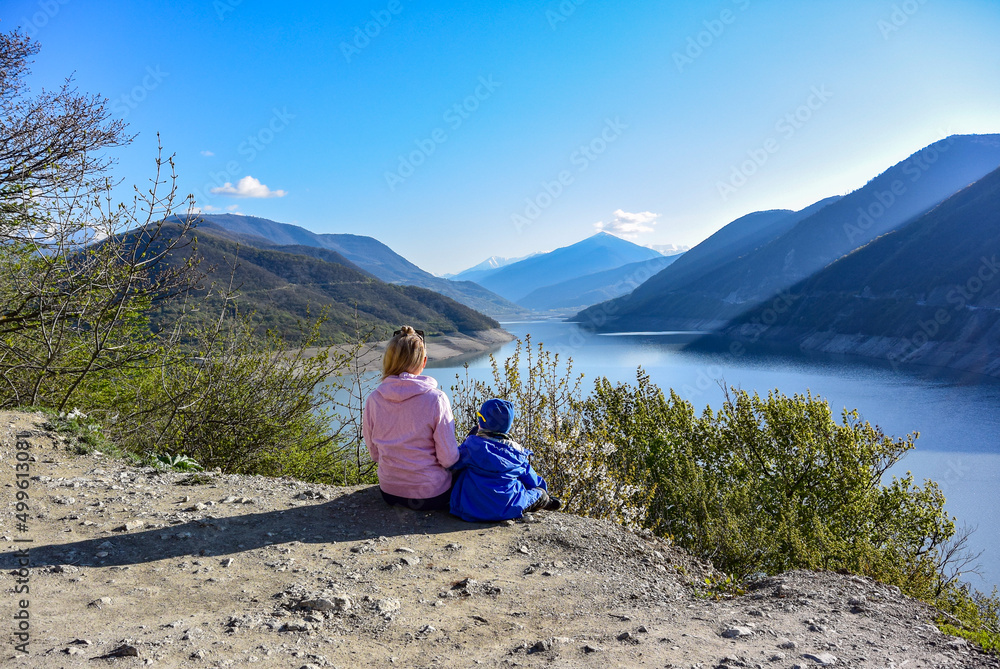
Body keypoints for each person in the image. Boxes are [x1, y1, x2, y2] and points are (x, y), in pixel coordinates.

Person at [363, 326, 459, 511]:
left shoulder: (374, 399)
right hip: (433, 495)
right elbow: (448, 459)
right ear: (424, 361)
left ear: (388, 361)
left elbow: (375, 455)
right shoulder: (436, 399)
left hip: (389, 493)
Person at [449, 398, 562, 522]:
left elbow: (452, 464)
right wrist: (541, 488)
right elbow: (533, 480)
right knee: (536, 492)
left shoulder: (471, 447)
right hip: (508, 507)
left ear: (481, 421)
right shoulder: (517, 453)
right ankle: (543, 498)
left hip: (471, 509)